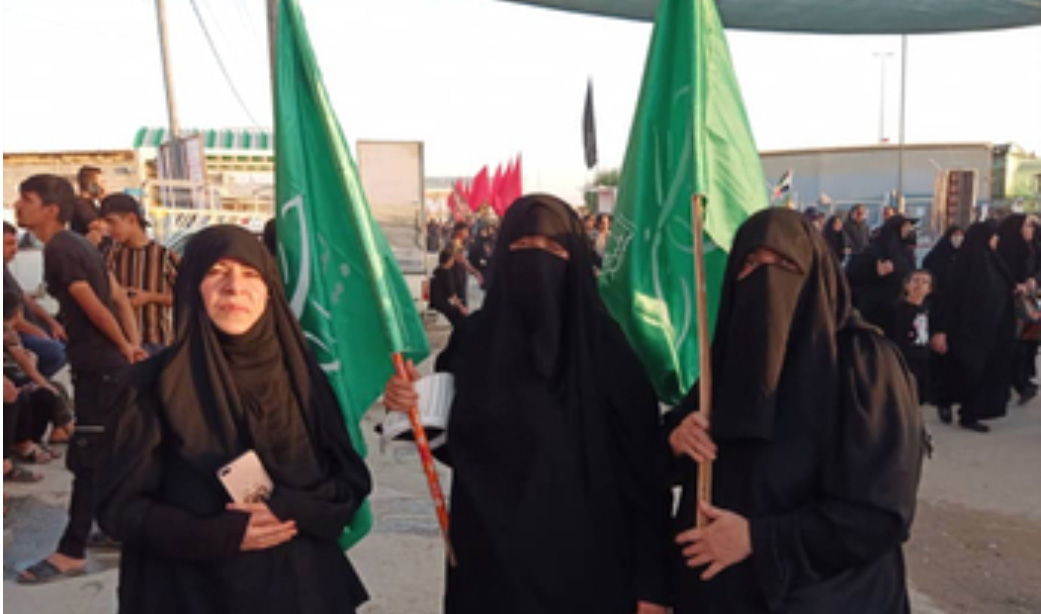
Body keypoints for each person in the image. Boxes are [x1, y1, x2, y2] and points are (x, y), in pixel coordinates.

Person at [384, 194, 671, 614]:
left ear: (576, 259)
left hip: (592, 573)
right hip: (489, 568)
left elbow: (645, 472)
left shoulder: (608, 353)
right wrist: (405, 402)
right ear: (503, 256)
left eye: (554, 249)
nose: (537, 261)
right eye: (522, 246)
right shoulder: (473, 343)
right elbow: (447, 438)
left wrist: (654, 585)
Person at [97, 225, 372, 613]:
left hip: (301, 589)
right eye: (216, 272)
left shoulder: (303, 380)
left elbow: (349, 483)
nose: (234, 287)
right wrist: (211, 534)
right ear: (191, 286)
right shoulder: (149, 387)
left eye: (250, 274)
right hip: (190, 593)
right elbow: (119, 509)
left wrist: (291, 508)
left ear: (269, 289)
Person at [666, 208, 924, 614]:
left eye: (784, 264)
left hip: (827, 597)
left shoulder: (864, 364)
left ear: (817, 273)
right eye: (751, 265)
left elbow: (881, 513)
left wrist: (758, 539)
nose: (766, 279)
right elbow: (664, 458)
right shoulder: (726, 366)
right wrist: (676, 440)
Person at [14, 174, 146, 584]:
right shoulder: (81, 245)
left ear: (51, 209)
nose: (17, 206)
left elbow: (96, 307)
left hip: (99, 368)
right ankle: (111, 526)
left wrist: (124, 346)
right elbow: (118, 297)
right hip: (106, 365)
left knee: (88, 458)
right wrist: (131, 344)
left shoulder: (60, 248)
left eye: (26, 199)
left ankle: (71, 552)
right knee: (105, 453)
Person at [930, 221, 1015, 432]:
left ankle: (969, 413)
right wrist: (941, 330)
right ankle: (949, 403)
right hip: (964, 330)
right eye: (993, 235)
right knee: (964, 372)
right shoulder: (964, 265)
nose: (996, 240)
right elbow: (950, 299)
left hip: (989, 330)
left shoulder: (993, 261)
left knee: (979, 374)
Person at [102, 193, 180, 353]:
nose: (108, 230)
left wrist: (150, 297)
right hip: (121, 343)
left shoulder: (164, 256)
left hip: (157, 340)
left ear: (131, 219)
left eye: (112, 222)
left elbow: (187, 298)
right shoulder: (110, 255)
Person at [3, 221, 68, 379]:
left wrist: (53, 323)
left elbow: (24, 298)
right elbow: (10, 320)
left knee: (70, 341)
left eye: (15, 243)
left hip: (32, 326)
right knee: (57, 352)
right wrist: (39, 333)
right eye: (8, 244)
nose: (14, 249)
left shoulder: (4, 268)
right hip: (15, 335)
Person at [995, 214, 1039, 404]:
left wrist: (1034, 280)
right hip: (1009, 304)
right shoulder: (1004, 249)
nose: (1031, 229)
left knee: (1029, 342)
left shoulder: (1032, 247)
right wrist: (1014, 285)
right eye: (1027, 225)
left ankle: (1023, 380)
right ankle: (1016, 383)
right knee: (1014, 344)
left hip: (1029, 303)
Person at [846, 214, 918, 329]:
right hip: (875, 313)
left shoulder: (907, 253)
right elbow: (852, 275)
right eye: (905, 227)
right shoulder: (874, 251)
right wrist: (874, 271)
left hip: (900, 312)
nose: (909, 230)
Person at [886, 270, 934, 405]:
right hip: (904, 358)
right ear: (907, 285)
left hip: (923, 357)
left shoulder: (927, 309)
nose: (919, 285)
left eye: (924, 282)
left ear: (929, 289)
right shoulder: (898, 309)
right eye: (915, 280)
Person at [429, 247, 468, 326]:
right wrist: (461, 308)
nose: (453, 261)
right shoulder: (447, 274)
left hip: (434, 302)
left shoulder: (436, 270)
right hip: (442, 304)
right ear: (449, 260)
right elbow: (452, 294)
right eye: (452, 259)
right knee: (459, 315)